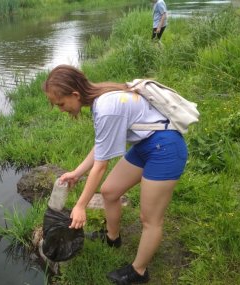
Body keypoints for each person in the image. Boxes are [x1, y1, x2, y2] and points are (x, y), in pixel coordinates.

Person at [43, 64, 187, 284]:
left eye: (61, 104)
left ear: (75, 94)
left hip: (165, 149)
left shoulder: (106, 106)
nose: (61, 109)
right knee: (109, 192)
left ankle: (139, 271)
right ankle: (112, 238)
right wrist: (77, 173)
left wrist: (81, 205)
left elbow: (101, 165)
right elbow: (102, 145)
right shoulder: (99, 100)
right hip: (146, 145)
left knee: (150, 219)